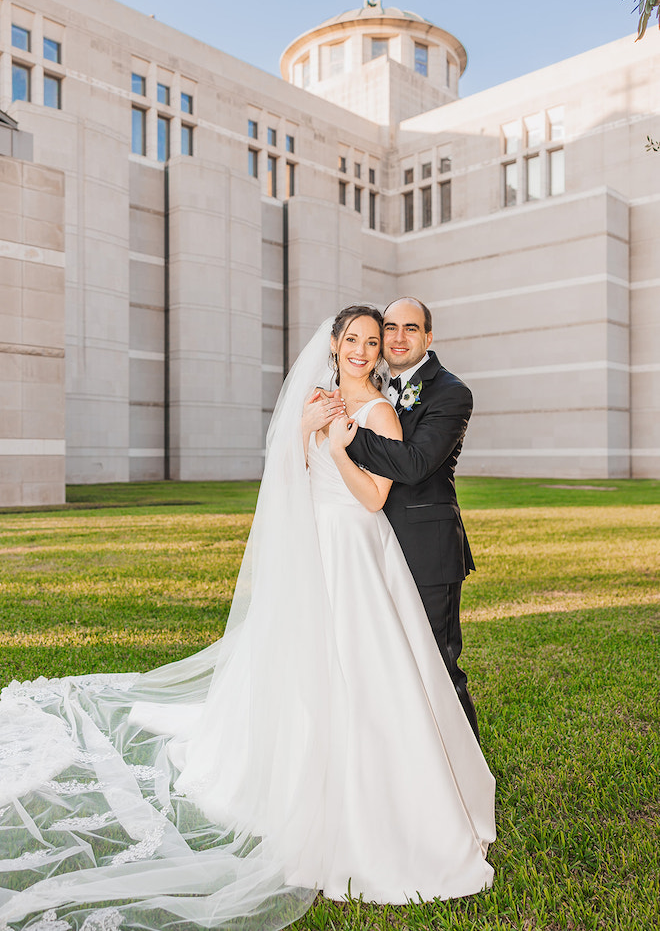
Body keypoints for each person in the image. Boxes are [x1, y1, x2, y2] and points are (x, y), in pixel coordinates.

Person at [0, 306, 494, 931]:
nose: (368, 349)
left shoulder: (385, 409)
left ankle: (404, 794)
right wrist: (307, 431)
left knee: (382, 673)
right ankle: (295, 782)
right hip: (314, 548)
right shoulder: (315, 402)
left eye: (377, 340)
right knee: (305, 670)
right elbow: (286, 475)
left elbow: (374, 495)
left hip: (358, 550)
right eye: (357, 339)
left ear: (414, 340)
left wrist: (341, 446)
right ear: (336, 345)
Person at [343, 297, 481, 741]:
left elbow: (417, 463)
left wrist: (344, 435)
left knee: (436, 663)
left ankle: (466, 766)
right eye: (390, 327)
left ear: (428, 337)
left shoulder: (451, 391)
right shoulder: (374, 384)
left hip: (427, 550)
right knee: (387, 662)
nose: (398, 337)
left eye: (411, 328)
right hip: (370, 546)